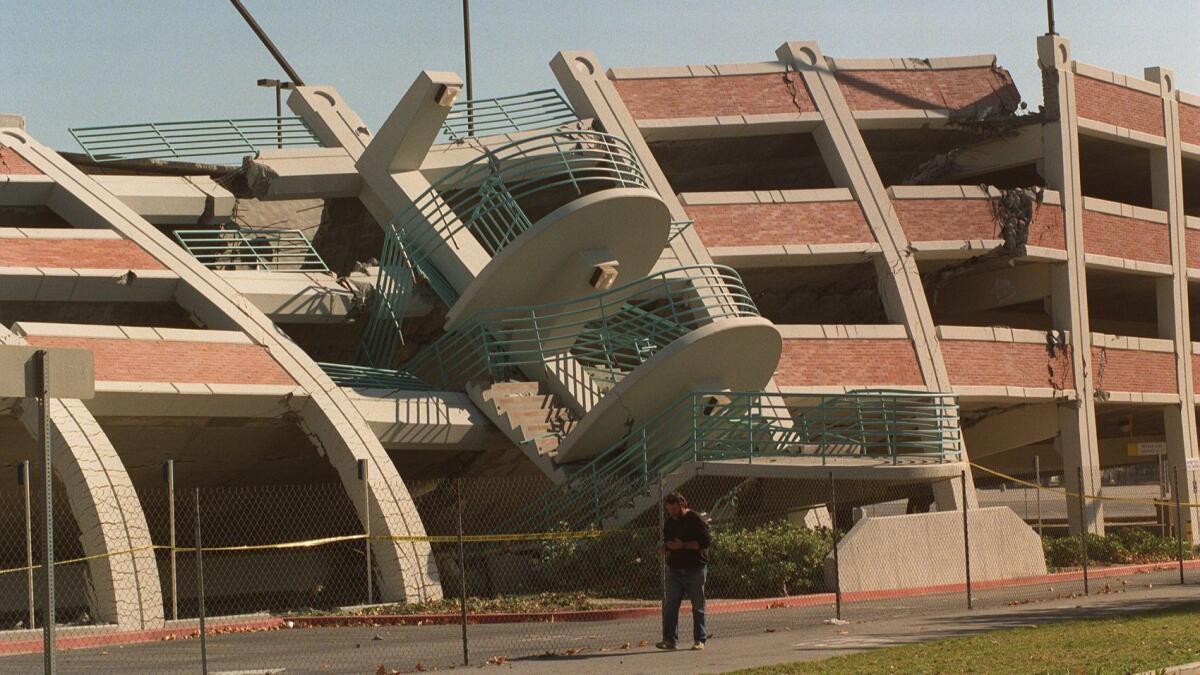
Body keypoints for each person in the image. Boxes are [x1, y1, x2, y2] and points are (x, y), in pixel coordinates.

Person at [657, 491, 710, 651]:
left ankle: (700, 640)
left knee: (698, 605)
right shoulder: (670, 522)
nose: (672, 513)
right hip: (675, 569)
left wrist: (683, 545)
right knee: (671, 605)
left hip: (695, 569)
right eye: (669, 510)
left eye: (674, 509)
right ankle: (670, 640)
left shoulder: (695, 519)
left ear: (682, 504)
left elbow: (705, 543)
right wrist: (665, 548)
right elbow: (668, 541)